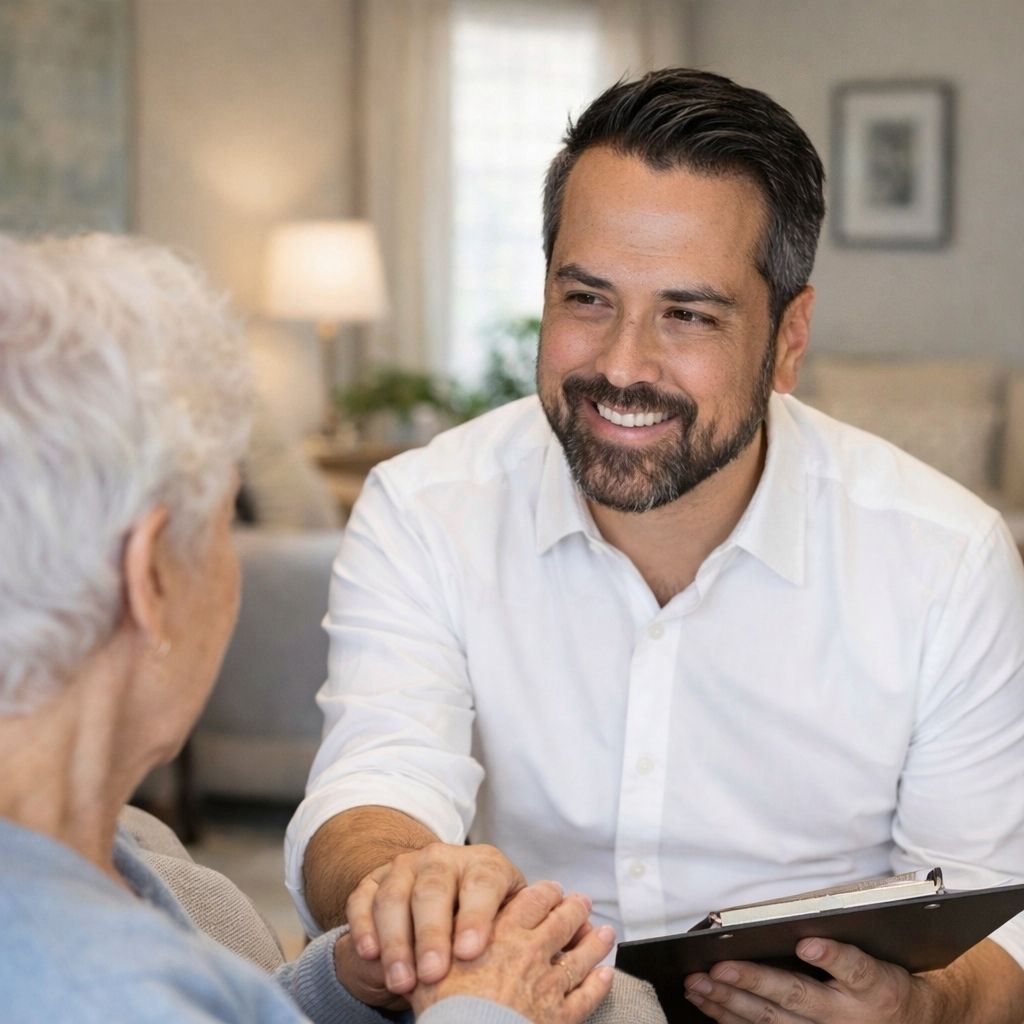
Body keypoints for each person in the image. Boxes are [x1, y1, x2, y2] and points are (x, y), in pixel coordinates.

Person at [285, 67, 1024, 1023]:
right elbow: (373, 782)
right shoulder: (424, 507)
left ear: (788, 339)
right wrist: (403, 884)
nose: (623, 366)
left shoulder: (947, 559)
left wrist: (920, 1008)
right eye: (587, 299)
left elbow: (996, 920)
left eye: (688, 314)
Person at [0, 232, 619, 1024]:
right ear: (149, 580)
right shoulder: (85, 981)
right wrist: (485, 1010)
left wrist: (349, 979)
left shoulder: (130, 850)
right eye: (221, 521)